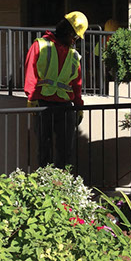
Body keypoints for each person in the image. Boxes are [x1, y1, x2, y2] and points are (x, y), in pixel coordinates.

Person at [24, 11, 87, 167]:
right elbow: (31, 72)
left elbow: (76, 84)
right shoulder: (40, 45)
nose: (75, 41)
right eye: (75, 37)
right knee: (44, 148)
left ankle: (63, 179)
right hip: (43, 103)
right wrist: (31, 98)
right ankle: (45, 179)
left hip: (65, 106)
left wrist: (78, 106)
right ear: (68, 32)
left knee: (65, 149)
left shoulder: (74, 55)